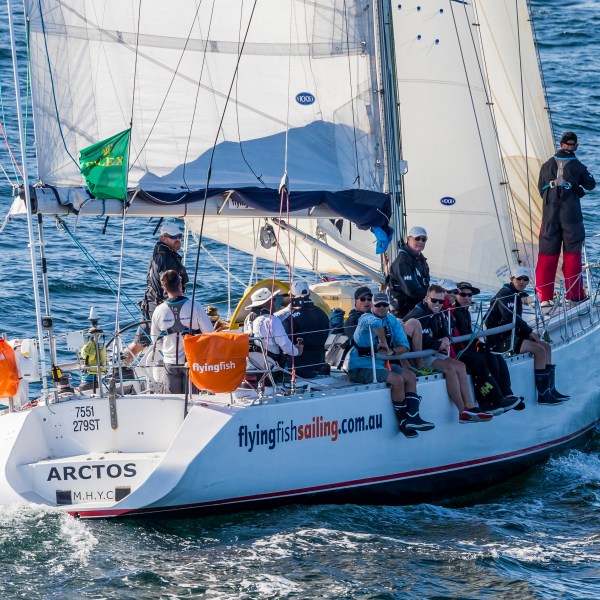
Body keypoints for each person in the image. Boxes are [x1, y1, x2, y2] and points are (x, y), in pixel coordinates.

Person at [347, 292, 433, 438]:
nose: (381, 308)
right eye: (378, 305)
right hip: (360, 367)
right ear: (372, 305)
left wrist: (391, 352)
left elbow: (404, 346)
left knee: (410, 376)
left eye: (385, 305)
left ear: (388, 306)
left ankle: (413, 417)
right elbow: (375, 324)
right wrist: (383, 342)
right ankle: (403, 423)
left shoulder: (391, 320)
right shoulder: (365, 318)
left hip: (381, 364)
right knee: (397, 380)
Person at [404, 285, 493, 423]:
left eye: (441, 301)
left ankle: (470, 406)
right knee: (450, 369)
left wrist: (445, 339)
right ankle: (462, 410)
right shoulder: (417, 315)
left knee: (460, 366)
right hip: (417, 356)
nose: (438, 304)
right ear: (426, 298)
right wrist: (438, 344)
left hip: (430, 352)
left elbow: (445, 331)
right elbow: (421, 340)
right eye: (434, 300)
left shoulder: (438, 312)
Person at [485, 267, 569, 404]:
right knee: (539, 350)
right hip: (499, 340)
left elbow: (514, 321)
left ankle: (550, 389)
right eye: (519, 279)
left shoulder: (515, 294)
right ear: (512, 279)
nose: (523, 282)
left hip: (510, 335)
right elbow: (510, 318)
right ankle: (543, 395)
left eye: (526, 279)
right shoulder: (505, 295)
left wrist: (527, 334)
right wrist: (529, 332)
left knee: (546, 347)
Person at [536, 131, 596, 306]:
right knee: (572, 256)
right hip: (571, 217)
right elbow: (591, 184)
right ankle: (574, 296)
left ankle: (544, 298)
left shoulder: (546, 165)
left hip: (549, 217)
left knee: (546, 257)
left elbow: (541, 189)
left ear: (560, 144)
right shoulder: (578, 166)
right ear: (575, 146)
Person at [452, 281, 521, 414]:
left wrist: (478, 344)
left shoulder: (465, 312)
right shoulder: (454, 312)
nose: (466, 298)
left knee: (496, 357)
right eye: (463, 294)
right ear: (456, 295)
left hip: (467, 348)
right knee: (481, 362)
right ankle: (490, 401)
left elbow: (468, 335)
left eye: (469, 295)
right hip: (458, 352)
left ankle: (507, 394)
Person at [126, 221, 189, 362]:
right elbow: (167, 284)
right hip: (158, 308)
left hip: (151, 304)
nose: (178, 239)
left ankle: (120, 366)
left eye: (180, 236)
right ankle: (120, 366)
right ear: (164, 238)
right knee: (161, 344)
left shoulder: (162, 253)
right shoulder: (166, 258)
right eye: (174, 237)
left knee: (140, 343)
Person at [150, 270, 214, 394]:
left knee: (173, 402)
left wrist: (168, 351)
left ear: (164, 288)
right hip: (191, 361)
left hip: (170, 362)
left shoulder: (158, 311)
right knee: (192, 398)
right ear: (180, 285)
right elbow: (209, 333)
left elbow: (155, 340)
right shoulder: (195, 306)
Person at [277, 280, 330, 378]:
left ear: (292, 296)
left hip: (296, 367)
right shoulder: (323, 314)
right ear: (309, 294)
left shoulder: (289, 317)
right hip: (317, 363)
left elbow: (284, 343)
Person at [244, 287, 303, 367]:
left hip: (252, 364)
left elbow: (269, 320)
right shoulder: (272, 321)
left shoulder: (249, 319)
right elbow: (286, 345)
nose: (275, 302)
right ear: (269, 302)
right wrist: (297, 351)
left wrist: (289, 309)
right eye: (274, 299)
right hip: (270, 368)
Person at [386, 226, 431, 318]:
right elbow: (412, 290)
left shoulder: (420, 259)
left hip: (416, 306)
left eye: (424, 239)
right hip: (403, 311)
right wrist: (431, 296)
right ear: (408, 239)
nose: (421, 242)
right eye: (417, 238)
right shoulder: (403, 261)